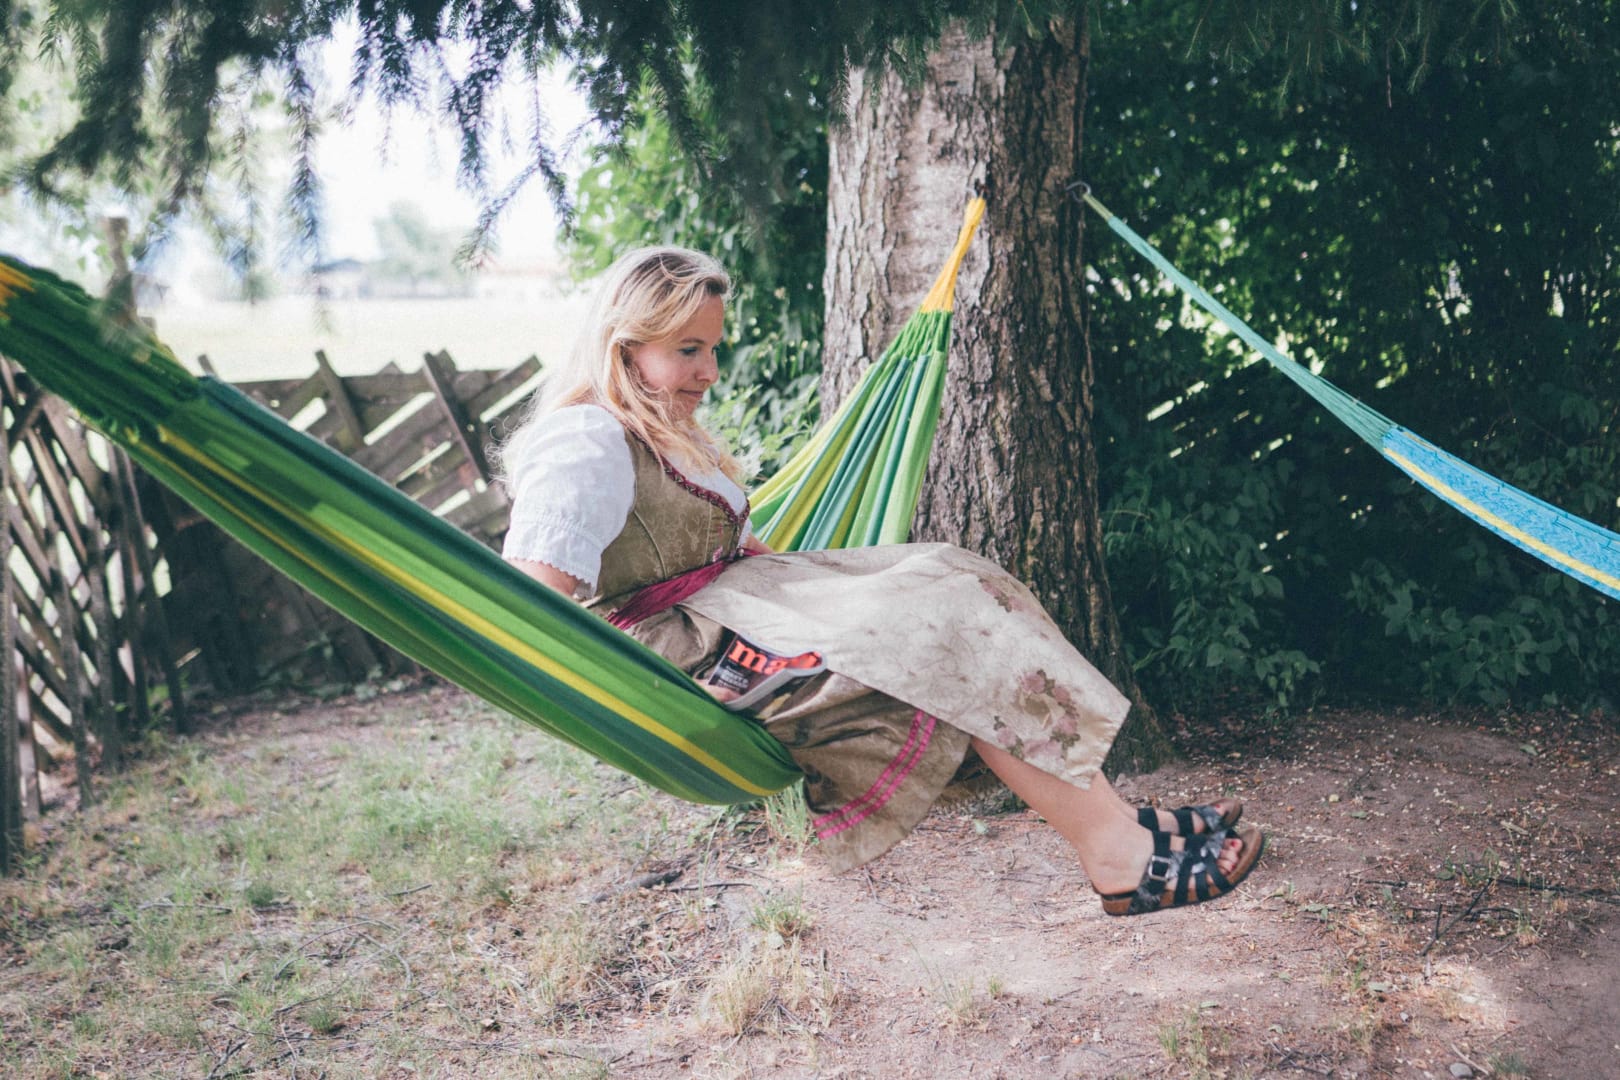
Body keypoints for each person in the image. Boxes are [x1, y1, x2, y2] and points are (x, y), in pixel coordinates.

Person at [500, 245, 1264, 916]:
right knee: (942, 641)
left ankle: (1119, 824)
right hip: (692, 653)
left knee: (954, 583)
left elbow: (704, 536)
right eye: (688, 350)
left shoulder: (655, 424)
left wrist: (822, 585)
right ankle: (1116, 856)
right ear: (623, 347)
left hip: (748, 600)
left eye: (713, 348)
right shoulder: (585, 439)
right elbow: (534, 597)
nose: (710, 371)